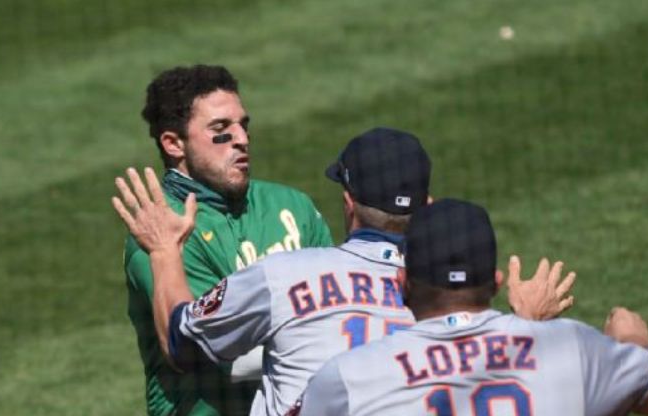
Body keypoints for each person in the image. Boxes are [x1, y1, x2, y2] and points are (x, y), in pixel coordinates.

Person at [113, 128, 576, 416]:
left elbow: (183, 342)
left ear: (348, 202)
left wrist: (164, 250)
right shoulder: (448, 299)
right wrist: (527, 325)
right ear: (428, 206)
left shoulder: (284, 274)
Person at [299, 198, 648, 415]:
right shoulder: (572, 349)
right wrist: (631, 337)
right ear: (497, 282)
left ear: (402, 285)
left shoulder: (349, 376)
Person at [122, 64, 334, 416]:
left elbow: (339, 307)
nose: (242, 139)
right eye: (221, 130)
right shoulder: (161, 233)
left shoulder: (291, 206)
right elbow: (213, 348)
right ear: (174, 144)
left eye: (243, 125)